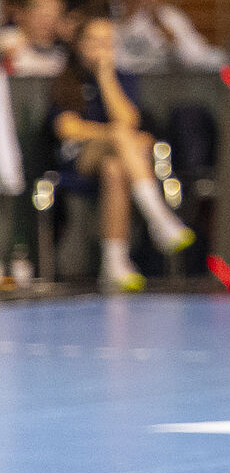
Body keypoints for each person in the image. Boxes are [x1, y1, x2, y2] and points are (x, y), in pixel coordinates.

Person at [47, 16, 194, 291]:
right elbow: (67, 128)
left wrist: (106, 77)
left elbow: (127, 118)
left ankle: (113, 263)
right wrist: (116, 134)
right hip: (77, 160)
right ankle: (158, 217)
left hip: (117, 161)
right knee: (127, 138)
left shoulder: (122, 78)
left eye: (107, 42)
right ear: (79, 44)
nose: (100, 48)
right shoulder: (65, 79)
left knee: (115, 169)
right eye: (93, 40)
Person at [109, 0, 226, 74]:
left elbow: (198, 58)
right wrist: (127, 19)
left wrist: (158, 21)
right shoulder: (107, 20)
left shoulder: (170, 17)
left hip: (164, 87)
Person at [2, 0, 70, 78]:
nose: (47, 22)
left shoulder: (66, 51)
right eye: (41, 15)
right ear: (23, 14)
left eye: (53, 16)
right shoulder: (6, 41)